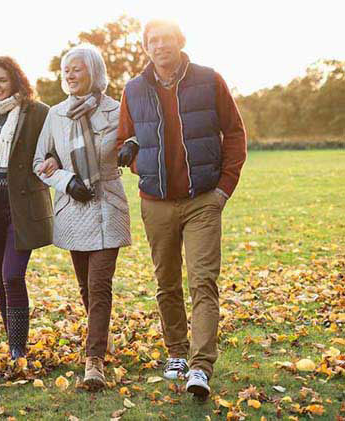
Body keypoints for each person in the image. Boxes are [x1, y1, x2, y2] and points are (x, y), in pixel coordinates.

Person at [116, 19, 247, 398]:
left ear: (180, 42)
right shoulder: (134, 89)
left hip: (203, 200)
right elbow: (124, 140)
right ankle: (176, 352)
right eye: (153, 41)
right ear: (146, 48)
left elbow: (236, 133)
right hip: (156, 203)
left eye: (167, 39)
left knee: (203, 281)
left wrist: (223, 189)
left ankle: (201, 366)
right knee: (167, 282)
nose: (161, 46)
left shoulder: (209, 80)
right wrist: (139, 165)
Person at [33, 44, 131, 389]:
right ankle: (101, 339)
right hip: (73, 210)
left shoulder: (115, 110)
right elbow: (39, 163)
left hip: (107, 205)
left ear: (94, 71)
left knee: (99, 285)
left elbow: (133, 144)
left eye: (77, 69)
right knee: (85, 287)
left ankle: (94, 361)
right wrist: (65, 180)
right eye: (66, 70)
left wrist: (131, 147)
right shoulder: (55, 114)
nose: (70, 75)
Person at [0, 56, 53, 360]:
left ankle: (18, 348)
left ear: (15, 80)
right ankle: (12, 339)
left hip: (22, 205)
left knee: (12, 275)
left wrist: (53, 158)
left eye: (2, 80)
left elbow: (51, 147)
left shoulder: (36, 112)